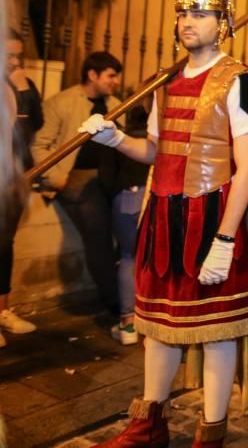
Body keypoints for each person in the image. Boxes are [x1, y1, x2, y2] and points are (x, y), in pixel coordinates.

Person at [82, 0, 248, 447]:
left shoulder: (238, 80)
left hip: (211, 215)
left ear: (223, 25)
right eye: (182, 14)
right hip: (164, 216)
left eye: (199, 14)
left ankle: (211, 432)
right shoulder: (165, 80)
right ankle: (149, 421)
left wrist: (227, 238)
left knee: (215, 329)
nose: (188, 22)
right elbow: (155, 151)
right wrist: (112, 138)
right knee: (158, 325)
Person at [32, 51, 122, 320]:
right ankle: (116, 303)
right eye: (111, 75)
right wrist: (57, 179)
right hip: (76, 177)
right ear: (92, 75)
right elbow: (39, 145)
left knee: (130, 228)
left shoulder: (116, 103)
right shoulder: (62, 102)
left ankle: (127, 295)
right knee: (98, 234)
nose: (116, 81)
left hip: (109, 177)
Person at [97, 100, 152, 345]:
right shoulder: (162, 142)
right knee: (154, 259)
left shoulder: (120, 138)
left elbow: (106, 178)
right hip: (154, 198)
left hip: (127, 198)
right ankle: (154, 321)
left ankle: (128, 325)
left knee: (129, 256)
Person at [1, 28, 43, 345]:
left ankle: (2, 310)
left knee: (5, 243)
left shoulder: (20, 85)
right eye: (9, 54)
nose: (15, 60)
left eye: (19, 54)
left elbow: (34, 124)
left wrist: (25, 91)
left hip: (15, 177)